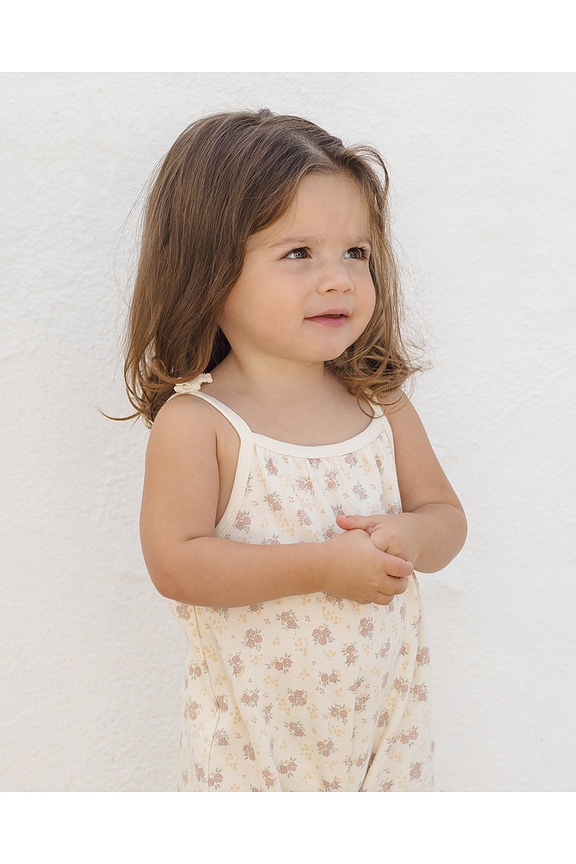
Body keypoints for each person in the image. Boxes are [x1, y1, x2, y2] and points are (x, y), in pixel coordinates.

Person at [122, 108, 467, 792]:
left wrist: (410, 534)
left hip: (384, 742)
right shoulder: (202, 423)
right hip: (255, 756)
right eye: (298, 253)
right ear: (210, 270)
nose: (338, 278)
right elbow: (178, 566)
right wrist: (322, 567)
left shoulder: (379, 404)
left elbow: (446, 519)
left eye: (356, 253)